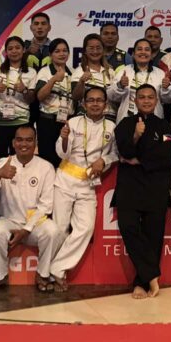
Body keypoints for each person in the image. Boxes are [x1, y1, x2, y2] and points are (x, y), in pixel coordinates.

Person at [50, 86, 117, 290]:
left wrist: (104, 161)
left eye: (99, 100)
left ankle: (56, 268)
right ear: (84, 103)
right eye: (91, 100)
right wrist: (63, 138)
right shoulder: (73, 122)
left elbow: (116, 154)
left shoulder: (112, 127)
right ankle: (50, 273)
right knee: (59, 229)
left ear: (105, 104)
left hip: (88, 183)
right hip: (66, 179)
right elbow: (62, 154)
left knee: (85, 228)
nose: (95, 104)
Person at [114, 85, 171, 299]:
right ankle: (152, 276)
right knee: (128, 227)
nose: (147, 101)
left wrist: (138, 160)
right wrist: (136, 137)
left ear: (157, 100)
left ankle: (141, 283)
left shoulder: (165, 126)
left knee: (153, 237)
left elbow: (165, 157)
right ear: (135, 100)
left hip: (155, 188)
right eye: (142, 97)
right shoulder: (125, 124)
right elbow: (125, 151)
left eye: (150, 97)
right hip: (129, 187)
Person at [0, 125, 63, 293]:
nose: (24, 144)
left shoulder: (46, 167)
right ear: (13, 142)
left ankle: (42, 275)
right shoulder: (3, 162)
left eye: (29, 140)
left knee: (53, 231)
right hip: (8, 220)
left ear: (35, 143)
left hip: (34, 223)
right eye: (19, 140)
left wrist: (27, 229)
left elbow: (46, 205)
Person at [0, 36, 37, 161]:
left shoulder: (31, 72)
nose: (14, 51)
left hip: (20, 122)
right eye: (10, 48)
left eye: (17, 48)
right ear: (6, 52)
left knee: (20, 157)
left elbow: (32, 99)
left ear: (23, 50)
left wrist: (24, 90)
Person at [110, 38, 171, 121]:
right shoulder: (124, 71)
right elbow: (111, 96)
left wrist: (166, 88)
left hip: (154, 120)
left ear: (151, 55)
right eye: (139, 49)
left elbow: (168, 100)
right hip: (127, 120)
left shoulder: (160, 73)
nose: (143, 52)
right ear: (133, 54)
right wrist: (120, 85)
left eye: (147, 49)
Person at [35, 38, 74, 166]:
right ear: (51, 55)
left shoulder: (72, 73)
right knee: (47, 161)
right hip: (48, 122)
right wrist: (53, 80)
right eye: (57, 51)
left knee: (64, 160)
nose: (62, 54)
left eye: (64, 51)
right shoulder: (45, 72)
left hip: (66, 123)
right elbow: (40, 96)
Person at [71, 34, 118, 119]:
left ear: (103, 50)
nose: (95, 51)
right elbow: (75, 97)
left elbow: (116, 97)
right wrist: (81, 82)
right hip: (86, 119)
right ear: (85, 51)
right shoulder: (79, 71)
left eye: (98, 48)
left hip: (109, 118)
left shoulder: (111, 72)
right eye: (91, 48)